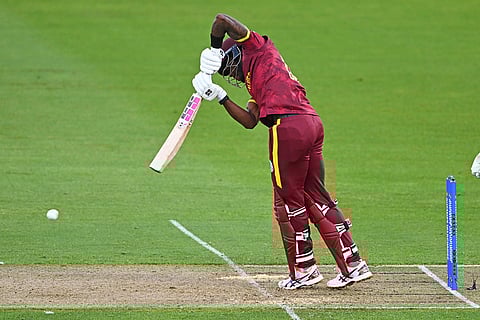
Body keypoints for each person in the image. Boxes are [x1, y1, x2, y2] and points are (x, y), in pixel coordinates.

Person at [192, 13, 372, 289]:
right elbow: (250, 121)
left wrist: (214, 47)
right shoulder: (258, 80)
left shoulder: (256, 47)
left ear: (234, 54)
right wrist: (220, 97)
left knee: (289, 203)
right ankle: (353, 263)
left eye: (228, 69)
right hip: (311, 123)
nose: (232, 75)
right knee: (318, 196)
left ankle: (303, 269)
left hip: (287, 127)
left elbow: (221, 20)